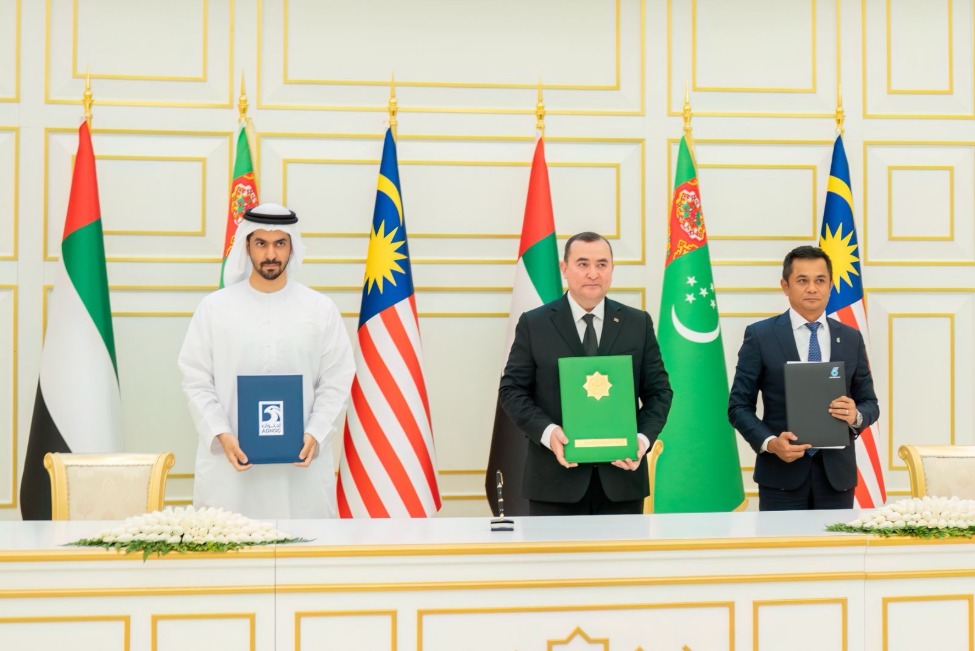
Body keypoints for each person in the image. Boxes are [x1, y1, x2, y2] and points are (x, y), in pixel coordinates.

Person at [178, 203, 354, 519]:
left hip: (299, 473)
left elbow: (336, 380)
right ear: (247, 246)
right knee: (230, 544)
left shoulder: (320, 309)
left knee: (303, 543)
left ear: (291, 247)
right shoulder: (214, 309)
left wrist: (316, 432)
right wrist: (220, 433)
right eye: (261, 243)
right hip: (232, 471)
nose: (270, 254)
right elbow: (196, 379)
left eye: (280, 243)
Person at [498, 232, 673, 516]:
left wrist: (641, 440)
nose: (593, 273)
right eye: (583, 264)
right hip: (553, 483)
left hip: (622, 481)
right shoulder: (535, 324)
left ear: (612, 269)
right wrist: (548, 433)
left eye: (602, 264)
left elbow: (659, 392)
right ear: (564, 268)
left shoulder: (637, 323)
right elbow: (511, 391)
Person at [728, 245, 879, 511]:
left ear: (830, 285)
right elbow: (738, 407)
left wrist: (855, 415)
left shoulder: (851, 338)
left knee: (836, 541)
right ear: (785, 286)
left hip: (837, 479)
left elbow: (870, 404)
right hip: (780, 477)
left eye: (820, 280)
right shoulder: (760, 336)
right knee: (782, 541)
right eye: (802, 281)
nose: (812, 288)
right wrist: (771, 443)